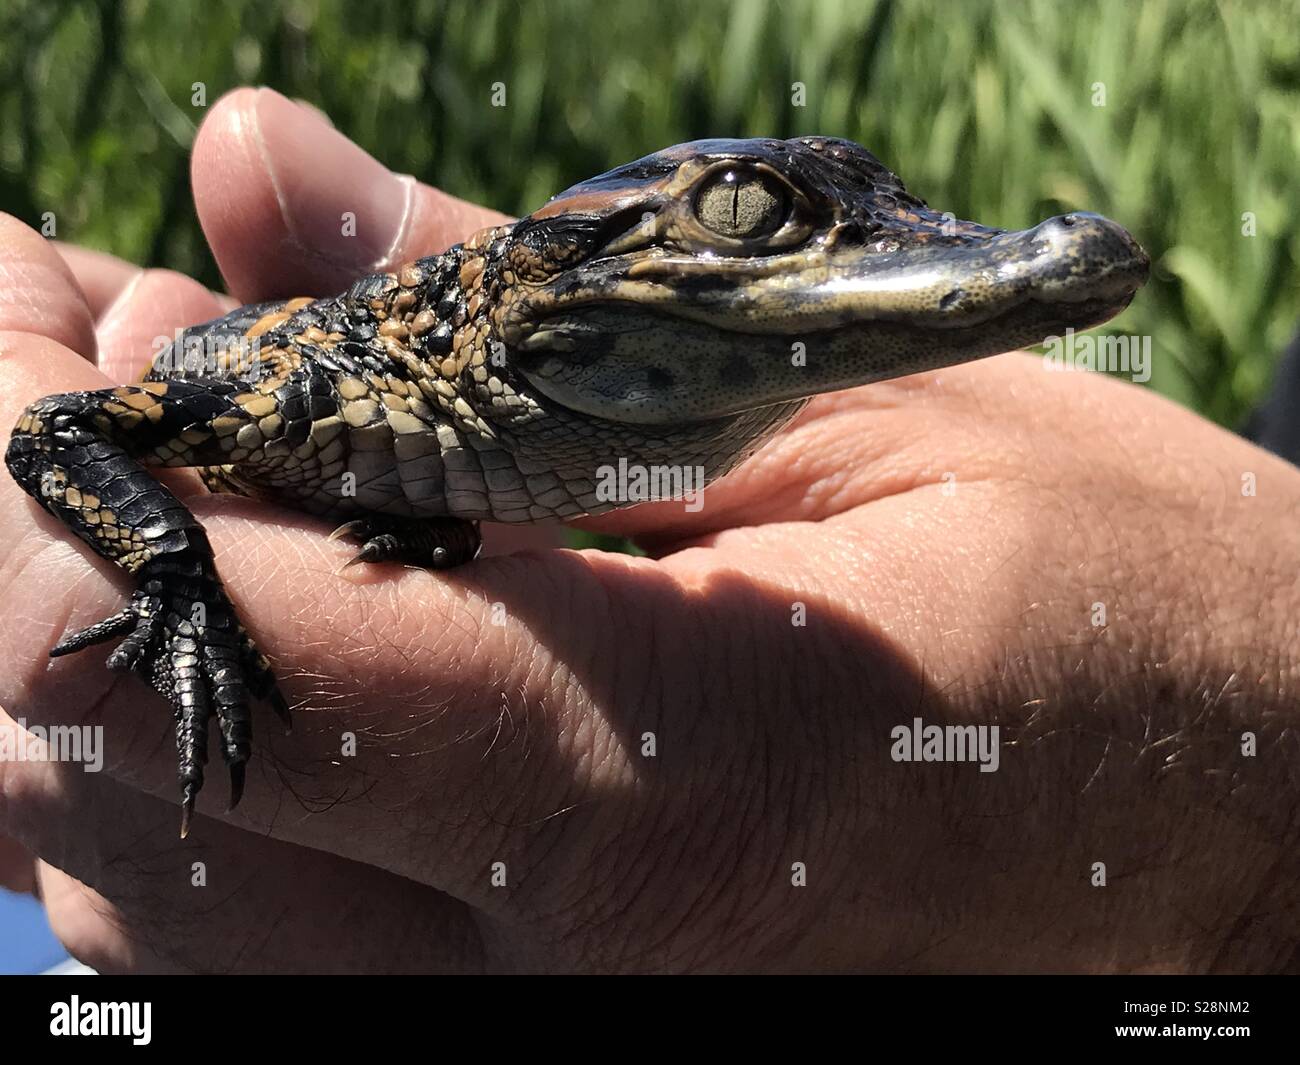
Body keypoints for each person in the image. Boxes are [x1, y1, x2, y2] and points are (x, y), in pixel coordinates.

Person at [0, 89, 1295, 973]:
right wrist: (177, 583)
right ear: (541, 286)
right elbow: (54, 436)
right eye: (744, 217)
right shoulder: (305, 380)